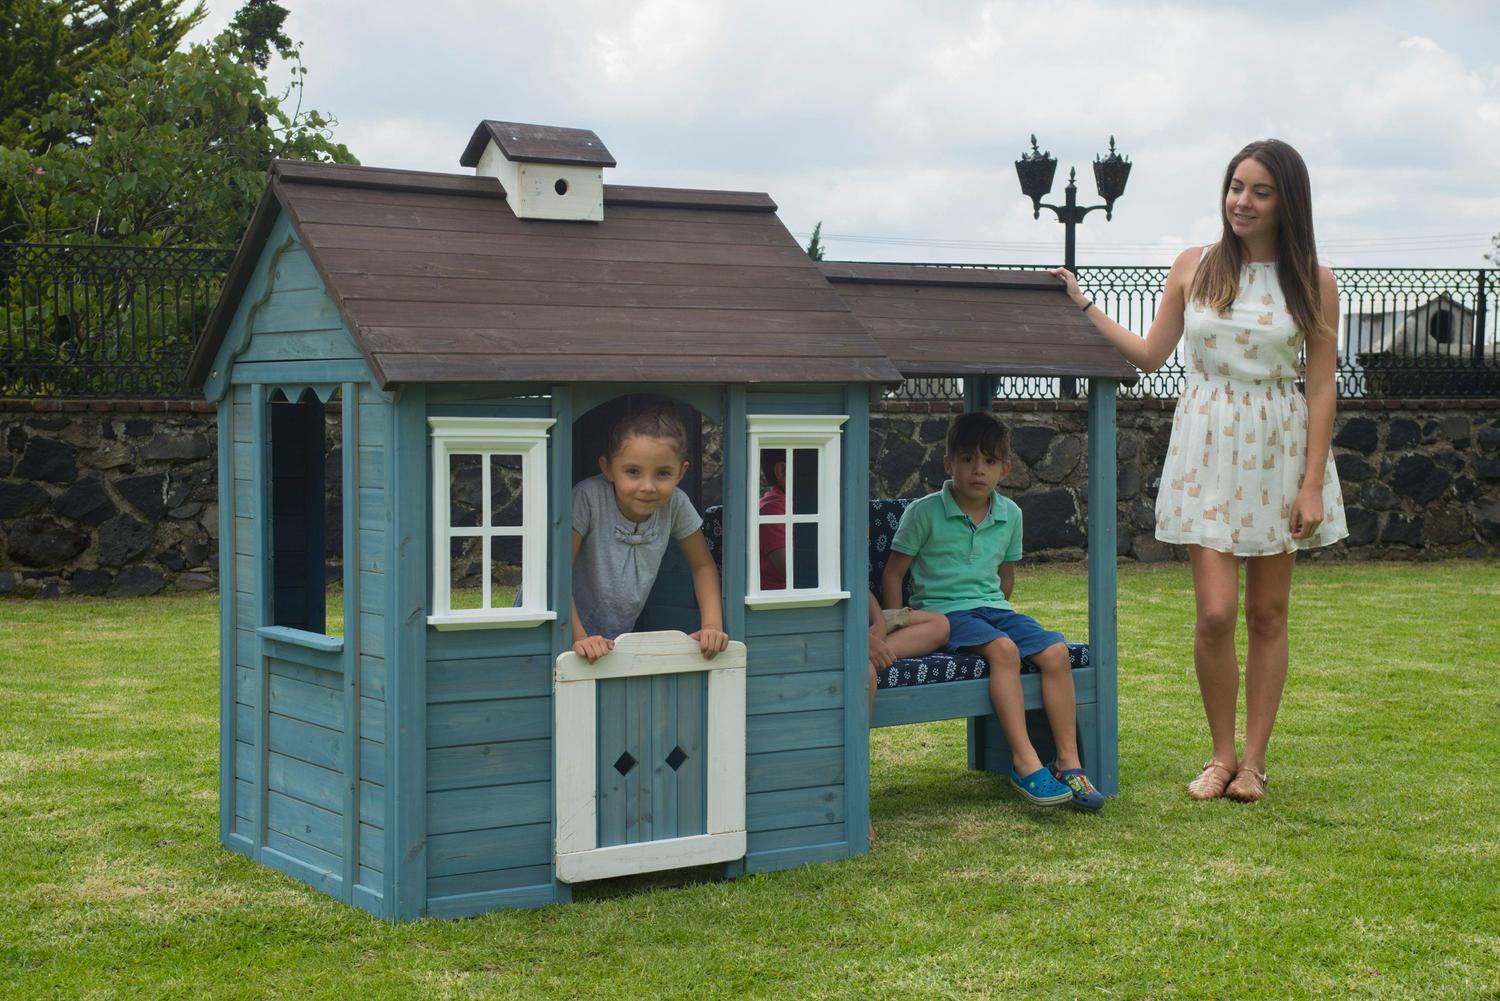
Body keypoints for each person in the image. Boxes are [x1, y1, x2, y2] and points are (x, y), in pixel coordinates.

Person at [1051, 138, 1347, 803]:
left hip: (1277, 448)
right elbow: (1150, 354)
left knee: (1267, 613)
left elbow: (1322, 385)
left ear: (1287, 202)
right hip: (1207, 447)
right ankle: (1220, 755)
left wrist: (1311, 483)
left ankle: (1254, 763)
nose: (1242, 201)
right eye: (1236, 186)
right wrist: (1083, 304)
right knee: (1215, 613)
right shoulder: (1195, 265)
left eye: (1260, 191)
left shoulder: (1314, 281)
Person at [881, 411, 1103, 811]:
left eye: (988, 460)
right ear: (948, 464)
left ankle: (1068, 761)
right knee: (1003, 650)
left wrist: (1000, 611)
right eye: (967, 459)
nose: (977, 470)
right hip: (946, 613)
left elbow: (1006, 576)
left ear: (1005, 469)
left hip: (996, 609)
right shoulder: (924, 512)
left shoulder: (1010, 514)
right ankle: (1024, 761)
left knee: (1056, 653)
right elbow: (894, 573)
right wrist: (896, 620)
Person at [570, 405, 729, 663]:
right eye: (633, 471)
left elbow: (702, 565)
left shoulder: (675, 503)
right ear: (608, 468)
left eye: (663, 473)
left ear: (681, 472)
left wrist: (712, 625)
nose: (648, 486)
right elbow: (556, 573)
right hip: (559, 628)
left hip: (613, 641)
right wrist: (579, 637)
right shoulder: (587, 498)